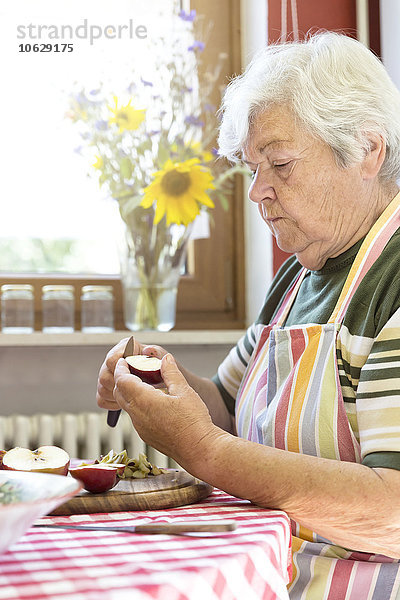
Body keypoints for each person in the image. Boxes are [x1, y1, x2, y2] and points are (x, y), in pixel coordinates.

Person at [96, 32, 400, 598]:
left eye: (279, 163)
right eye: (252, 167)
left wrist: (202, 450)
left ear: (367, 150)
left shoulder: (393, 278)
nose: (257, 191)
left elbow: (393, 513)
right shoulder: (300, 272)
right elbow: (233, 409)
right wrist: (164, 379)